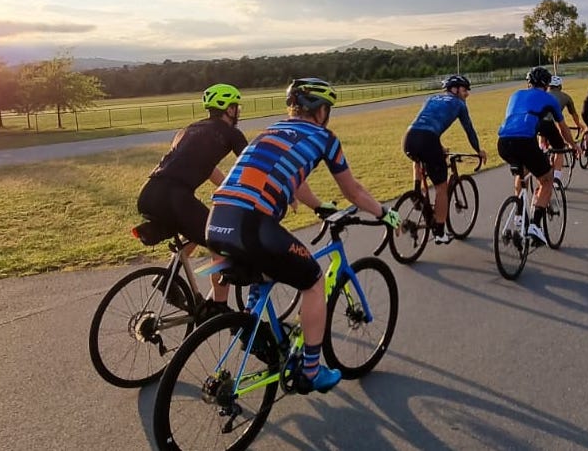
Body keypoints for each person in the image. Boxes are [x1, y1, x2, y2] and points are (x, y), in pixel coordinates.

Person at [205, 77, 400, 395]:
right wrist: (384, 213)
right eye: (328, 108)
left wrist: (319, 206)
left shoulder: (270, 131)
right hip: (253, 223)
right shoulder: (324, 137)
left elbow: (292, 180)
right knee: (312, 280)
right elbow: (353, 191)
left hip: (217, 220)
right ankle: (310, 371)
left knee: (266, 266)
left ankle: (253, 330)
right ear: (320, 111)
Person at [136, 83, 247, 317]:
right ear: (229, 109)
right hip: (175, 197)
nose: (238, 111)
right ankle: (218, 307)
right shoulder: (231, 133)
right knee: (220, 239)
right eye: (236, 107)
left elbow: (204, 167)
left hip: (149, 193)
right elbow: (251, 163)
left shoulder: (189, 130)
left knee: (196, 229)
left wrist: (229, 186)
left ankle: (166, 277)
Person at [497, 67, 579, 245]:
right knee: (547, 179)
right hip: (525, 141)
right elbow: (562, 128)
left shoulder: (515, 95)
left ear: (529, 82)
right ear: (547, 84)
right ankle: (535, 224)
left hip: (503, 142)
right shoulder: (549, 98)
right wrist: (573, 146)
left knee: (522, 173)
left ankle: (520, 215)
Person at [402, 74, 487, 245]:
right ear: (455, 90)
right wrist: (478, 150)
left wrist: (439, 147)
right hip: (428, 139)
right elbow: (469, 129)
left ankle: (417, 192)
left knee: (418, 158)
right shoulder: (459, 104)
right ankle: (440, 232)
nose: (467, 94)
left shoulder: (432, 98)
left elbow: (427, 124)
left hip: (409, 137)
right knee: (441, 187)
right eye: (465, 90)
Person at [542, 75, 583, 181]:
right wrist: (579, 125)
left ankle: (542, 149)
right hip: (551, 124)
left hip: (537, 124)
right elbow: (573, 114)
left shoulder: (543, 95)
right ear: (560, 86)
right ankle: (556, 178)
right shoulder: (566, 97)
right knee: (560, 149)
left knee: (542, 140)